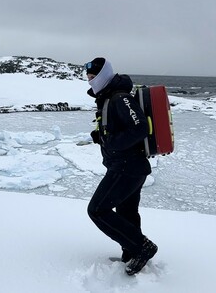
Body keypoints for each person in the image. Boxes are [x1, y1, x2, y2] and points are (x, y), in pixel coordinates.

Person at [84, 57, 158, 276]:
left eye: (93, 77)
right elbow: (117, 128)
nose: (90, 81)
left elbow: (140, 127)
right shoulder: (109, 98)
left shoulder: (119, 98)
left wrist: (110, 141)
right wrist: (101, 135)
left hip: (126, 166)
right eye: (88, 78)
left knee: (97, 210)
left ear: (104, 75)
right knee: (126, 211)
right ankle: (132, 254)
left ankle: (142, 247)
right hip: (129, 166)